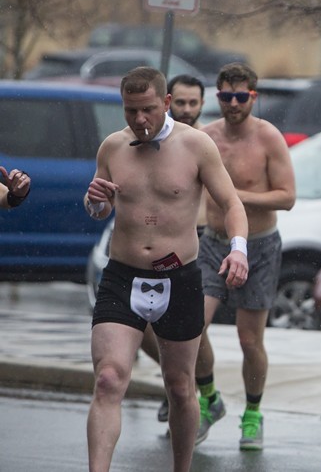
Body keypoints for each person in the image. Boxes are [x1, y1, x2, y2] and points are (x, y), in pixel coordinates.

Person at [85, 66, 249, 472]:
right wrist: (96, 201)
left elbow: (231, 203)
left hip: (179, 278)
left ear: (167, 103)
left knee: (179, 387)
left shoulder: (196, 145)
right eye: (131, 111)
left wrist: (239, 250)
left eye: (148, 109)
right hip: (122, 275)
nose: (140, 119)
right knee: (108, 379)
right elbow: (99, 208)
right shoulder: (112, 147)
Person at [195, 62, 296, 451]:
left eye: (241, 97)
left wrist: (234, 197)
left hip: (259, 246)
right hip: (213, 242)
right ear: (217, 96)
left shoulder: (268, 138)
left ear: (254, 96)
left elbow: (287, 197)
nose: (233, 104)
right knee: (192, 327)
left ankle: (253, 413)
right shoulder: (205, 138)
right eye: (226, 96)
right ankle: (209, 399)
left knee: (249, 339)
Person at [144, 73, 209, 424]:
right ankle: (181, 382)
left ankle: (197, 391)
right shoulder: (152, 142)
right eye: (180, 102)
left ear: (202, 104)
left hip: (201, 243)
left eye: (192, 103)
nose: (186, 109)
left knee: (198, 326)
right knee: (144, 328)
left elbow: (230, 199)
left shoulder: (206, 143)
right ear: (169, 101)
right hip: (153, 248)